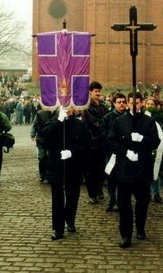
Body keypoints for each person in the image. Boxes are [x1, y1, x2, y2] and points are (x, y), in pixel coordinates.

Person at [107, 91, 160, 248]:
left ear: (142, 103)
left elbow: (155, 142)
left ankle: (141, 227)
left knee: (143, 201)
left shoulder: (149, 122)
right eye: (131, 103)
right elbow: (110, 142)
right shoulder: (119, 121)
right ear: (128, 103)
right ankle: (125, 234)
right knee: (124, 203)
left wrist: (143, 139)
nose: (134, 105)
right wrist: (125, 152)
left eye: (138, 103)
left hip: (142, 168)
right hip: (124, 169)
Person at [42, 107, 90, 240]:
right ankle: (58, 228)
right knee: (57, 198)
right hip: (56, 166)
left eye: (69, 108)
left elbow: (86, 144)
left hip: (73, 166)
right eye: (64, 107)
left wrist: (72, 152)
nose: (67, 110)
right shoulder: (52, 122)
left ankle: (70, 219)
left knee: (73, 196)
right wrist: (58, 121)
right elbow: (43, 138)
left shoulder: (79, 124)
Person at [82, 81, 108, 203]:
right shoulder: (87, 107)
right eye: (95, 91)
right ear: (90, 92)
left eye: (99, 91)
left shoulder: (103, 106)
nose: (98, 93)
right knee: (91, 170)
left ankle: (98, 190)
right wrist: (104, 127)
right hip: (91, 142)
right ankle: (92, 194)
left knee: (100, 169)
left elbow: (107, 119)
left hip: (101, 142)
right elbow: (92, 123)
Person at [100, 92, 127, 212]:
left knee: (123, 178)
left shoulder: (129, 117)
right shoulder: (107, 118)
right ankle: (111, 199)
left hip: (125, 153)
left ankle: (122, 201)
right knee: (111, 177)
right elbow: (104, 135)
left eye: (123, 102)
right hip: (111, 153)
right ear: (114, 103)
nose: (122, 104)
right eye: (119, 102)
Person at [30, 107, 59, 182]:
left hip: (53, 139)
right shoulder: (40, 113)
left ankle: (50, 175)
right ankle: (42, 174)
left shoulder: (58, 113)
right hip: (42, 139)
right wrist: (33, 134)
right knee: (42, 157)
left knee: (52, 157)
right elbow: (35, 124)